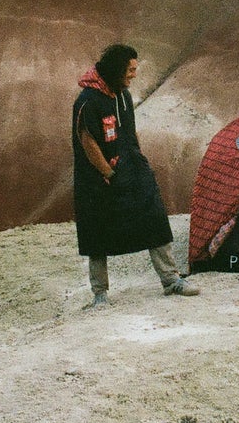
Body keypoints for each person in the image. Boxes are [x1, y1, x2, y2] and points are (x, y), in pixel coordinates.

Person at [72, 44, 198, 308]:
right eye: (130, 69)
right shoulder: (88, 101)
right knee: (96, 230)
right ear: (117, 69)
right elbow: (88, 141)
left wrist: (138, 163)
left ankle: (171, 280)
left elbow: (129, 131)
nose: (134, 75)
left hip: (131, 168)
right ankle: (100, 294)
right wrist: (108, 172)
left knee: (154, 215)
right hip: (98, 177)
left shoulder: (122, 96)